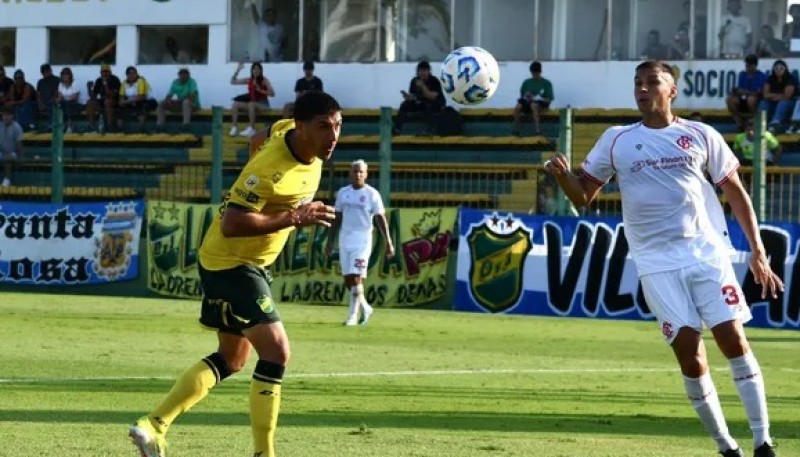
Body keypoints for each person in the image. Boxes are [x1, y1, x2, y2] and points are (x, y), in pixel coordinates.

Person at [545, 60, 783, 457]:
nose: (642, 88)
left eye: (652, 82)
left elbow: (736, 192)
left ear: (672, 90)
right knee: (691, 358)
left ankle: (763, 442)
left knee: (733, 339)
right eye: (637, 83)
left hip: (706, 254)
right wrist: (562, 177)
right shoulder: (617, 139)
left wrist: (758, 253)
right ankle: (728, 448)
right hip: (656, 264)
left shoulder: (700, 134)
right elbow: (582, 196)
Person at [128, 91, 343, 457]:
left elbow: (260, 137)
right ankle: (265, 453)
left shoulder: (284, 131)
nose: (333, 136)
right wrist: (294, 215)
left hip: (241, 263)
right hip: (232, 262)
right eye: (324, 127)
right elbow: (232, 223)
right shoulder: (269, 169)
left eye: (338, 126)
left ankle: (153, 426)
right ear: (303, 126)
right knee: (276, 352)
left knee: (232, 358)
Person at [325, 159, 394, 326]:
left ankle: (352, 316)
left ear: (366, 174)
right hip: (345, 238)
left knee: (356, 277)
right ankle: (366, 307)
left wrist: (388, 242)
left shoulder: (372, 194)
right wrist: (330, 241)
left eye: (361, 172)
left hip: (362, 240)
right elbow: (337, 218)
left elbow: (380, 218)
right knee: (348, 279)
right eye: (355, 171)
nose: (358, 174)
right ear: (350, 174)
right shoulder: (343, 193)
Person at [393, 60, 445, 135]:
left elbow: (432, 97)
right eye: (420, 71)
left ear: (428, 71)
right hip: (420, 104)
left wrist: (422, 86)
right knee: (404, 105)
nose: (422, 73)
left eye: (425, 71)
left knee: (428, 105)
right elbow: (414, 97)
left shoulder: (434, 81)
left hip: (435, 104)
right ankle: (397, 129)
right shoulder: (414, 81)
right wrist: (408, 97)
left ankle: (430, 129)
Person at [229, 61, 275, 137]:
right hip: (253, 105)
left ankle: (252, 129)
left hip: (263, 105)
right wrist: (238, 70)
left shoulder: (264, 80)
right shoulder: (249, 80)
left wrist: (260, 90)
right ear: (252, 71)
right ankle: (234, 127)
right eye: (254, 69)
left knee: (251, 104)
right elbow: (232, 82)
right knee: (235, 104)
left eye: (258, 69)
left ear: (261, 71)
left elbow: (272, 93)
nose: (256, 71)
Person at [512, 61, 554, 136]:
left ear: (540, 72)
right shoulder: (527, 82)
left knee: (534, 105)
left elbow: (549, 99)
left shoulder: (546, 83)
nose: (534, 75)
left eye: (536, 73)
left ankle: (537, 130)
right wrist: (527, 96)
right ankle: (517, 128)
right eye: (533, 73)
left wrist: (538, 98)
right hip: (527, 102)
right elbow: (522, 96)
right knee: (518, 106)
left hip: (540, 103)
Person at [725, 54, 767, 131]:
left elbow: (758, 93)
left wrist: (745, 92)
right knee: (730, 100)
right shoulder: (743, 74)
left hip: (755, 100)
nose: (748, 66)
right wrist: (739, 91)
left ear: (755, 65)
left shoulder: (761, 76)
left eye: (750, 64)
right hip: (743, 98)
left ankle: (753, 123)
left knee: (751, 100)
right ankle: (740, 124)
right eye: (747, 64)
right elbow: (740, 90)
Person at [757, 59, 796, 133]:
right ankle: (759, 123)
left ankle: (775, 123)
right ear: (773, 69)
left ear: (785, 69)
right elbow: (765, 95)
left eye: (781, 68)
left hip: (789, 103)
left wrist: (772, 96)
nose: (778, 70)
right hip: (773, 102)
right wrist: (778, 96)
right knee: (763, 103)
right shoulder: (770, 79)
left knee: (783, 102)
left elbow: (787, 96)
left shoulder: (790, 79)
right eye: (776, 68)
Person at [156, 67, 200, 133]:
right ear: (178, 75)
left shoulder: (192, 82)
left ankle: (186, 124)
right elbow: (169, 94)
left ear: (188, 75)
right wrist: (168, 100)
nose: (183, 76)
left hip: (193, 105)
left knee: (186, 102)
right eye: (181, 74)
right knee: (161, 103)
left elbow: (192, 96)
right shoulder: (175, 82)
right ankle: (160, 125)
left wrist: (179, 101)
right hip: (180, 104)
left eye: (185, 74)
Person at [117, 66, 157, 133]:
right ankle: (119, 129)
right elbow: (121, 96)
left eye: (134, 73)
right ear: (127, 75)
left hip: (149, 101)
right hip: (132, 101)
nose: (132, 75)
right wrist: (122, 101)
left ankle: (142, 128)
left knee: (141, 105)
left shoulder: (141, 81)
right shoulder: (124, 83)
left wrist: (127, 101)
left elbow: (141, 96)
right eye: (130, 73)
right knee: (120, 106)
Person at [85, 64, 121, 132]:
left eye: (106, 72)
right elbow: (93, 96)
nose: (104, 73)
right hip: (102, 101)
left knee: (108, 101)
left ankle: (110, 126)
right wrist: (89, 88)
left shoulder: (115, 79)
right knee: (90, 102)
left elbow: (112, 95)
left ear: (110, 72)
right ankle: (91, 125)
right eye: (103, 72)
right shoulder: (99, 80)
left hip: (115, 101)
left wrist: (105, 84)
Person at [54, 67, 82, 134]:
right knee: (58, 104)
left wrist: (65, 97)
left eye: (66, 75)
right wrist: (57, 100)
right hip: (65, 103)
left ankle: (70, 126)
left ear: (70, 75)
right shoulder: (60, 84)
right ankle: (60, 125)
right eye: (63, 75)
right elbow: (60, 97)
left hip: (76, 104)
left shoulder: (75, 83)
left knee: (68, 103)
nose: (64, 76)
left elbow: (75, 97)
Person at [0, 109, 23, 187]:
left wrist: (20, 159)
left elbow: (19, 144)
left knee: (8, 158)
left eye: (7, 115)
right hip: (1, 152)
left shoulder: (17, 127)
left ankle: (7, 180)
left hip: (13, 153)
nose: (5, 117)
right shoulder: (0, 125)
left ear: (12, 116)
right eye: (3, 115)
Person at [36, 63, 60, 131]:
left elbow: (57, 93)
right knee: (30, 105)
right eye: (44, 72)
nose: (46, 73)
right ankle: (31, 125)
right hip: (42, 102)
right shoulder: (40, 82)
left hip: (52, 101)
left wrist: (47, 103)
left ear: (50, 71)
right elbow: (38, 94)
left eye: (47, 71)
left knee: (51, 103)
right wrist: (40, 103)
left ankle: (51, 124)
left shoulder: (57, 80)